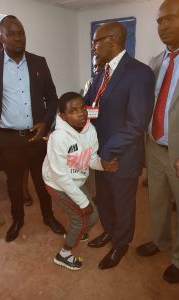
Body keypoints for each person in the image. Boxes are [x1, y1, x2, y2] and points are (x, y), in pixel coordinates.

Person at [0, 15, 65, 243]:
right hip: (8, 137)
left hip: (35, 135)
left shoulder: (38, 62)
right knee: (14, 185)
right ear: (1, 37)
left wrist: (45, 123)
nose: (17, 39)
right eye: (11, 34)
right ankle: (17, 220)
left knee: (43, 181)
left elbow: (52, 98)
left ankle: (48, 216)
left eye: (21, 33)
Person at [84, 21, 155, 269]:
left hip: (120, 155)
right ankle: (109, 232)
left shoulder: (140, 73)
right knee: (103, 198)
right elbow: (91, 108)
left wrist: (108, 152)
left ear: (112, 39)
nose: (93, 47)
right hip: (100, 153)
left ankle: (121, 244)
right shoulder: (101, 73)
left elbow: (137, 123)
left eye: (96, 41)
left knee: (122, 202)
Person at [136, 0, 179, 284]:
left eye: (170, 19)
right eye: (159, 21)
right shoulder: (155, 61)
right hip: (154, 146)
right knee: (157, 201)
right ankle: (161, 242)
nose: (162, 26)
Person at [42, 92, 103, 270]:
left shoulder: (90, 129)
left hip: (75, 181)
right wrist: (83, 201)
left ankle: (78, 233)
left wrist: (103, 164)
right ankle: (64, 254)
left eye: (83, 107)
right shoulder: (59, 137)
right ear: (62, 116)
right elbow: (60, 175)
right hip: (56, 183)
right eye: (73, 111)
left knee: (93, 216)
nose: (81, 113)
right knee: (80, 219)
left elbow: (91, 159)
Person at [0, 38, 34, 207]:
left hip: (22, 128)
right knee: (10, 165)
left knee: (25, 164)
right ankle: (15, 189)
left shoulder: (18, 70)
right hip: (2, 131)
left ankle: (24, 190)